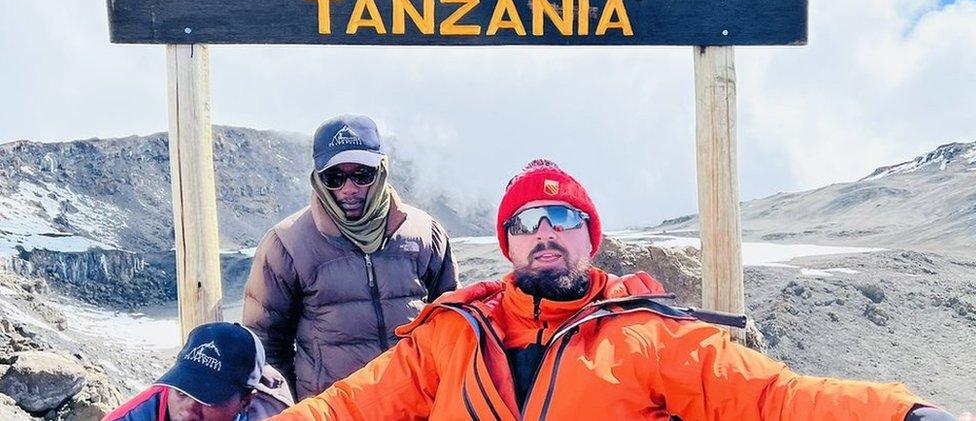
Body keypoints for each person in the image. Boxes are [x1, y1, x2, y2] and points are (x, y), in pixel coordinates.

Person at [268, 159, 956, 420]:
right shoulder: (452, 334)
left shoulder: (647, 333)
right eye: (527, 221)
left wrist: (900, 413)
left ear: (590, 237)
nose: (547, 231)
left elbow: (769, 395)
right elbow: (349, 408)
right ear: (506, 242)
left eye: (564, 217)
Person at [243, 114, 458, 400]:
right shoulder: (286, 244)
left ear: (381, 171)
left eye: (362, 175)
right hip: (331, 412)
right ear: (318, 179)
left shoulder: (424, 233)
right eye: (335, 177)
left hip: (417, 405)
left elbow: (450, 322)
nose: (348, 189)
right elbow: (266, 345)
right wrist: (294, 409)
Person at [104, 322, 293, 421]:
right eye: (180, 392)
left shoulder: (275, 414)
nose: (187, 413)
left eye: (208, 400)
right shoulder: (131, 418)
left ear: (245, 401)